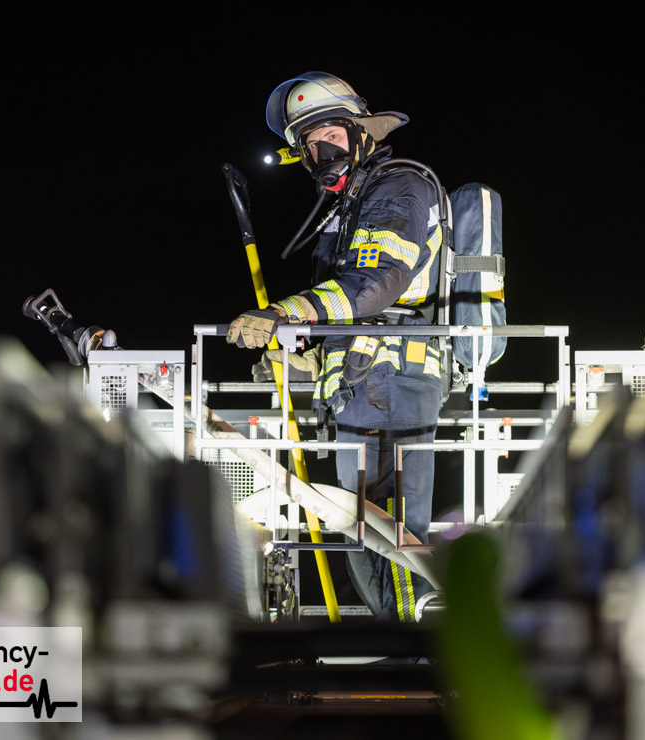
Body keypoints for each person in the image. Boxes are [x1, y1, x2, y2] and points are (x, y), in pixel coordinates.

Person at [227, 72, 443, 622]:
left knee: (390, 528)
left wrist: (284, 313)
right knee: (362, 529)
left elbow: (376, 283)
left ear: (362, 132)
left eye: (331, 134)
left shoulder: (397, 187)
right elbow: (346, 307)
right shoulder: (352, 203)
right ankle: (402, 641)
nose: (321, 150)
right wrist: (306, 354)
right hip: (363, 384)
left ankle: (419, 643)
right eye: (310, 142)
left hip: (392, 381)